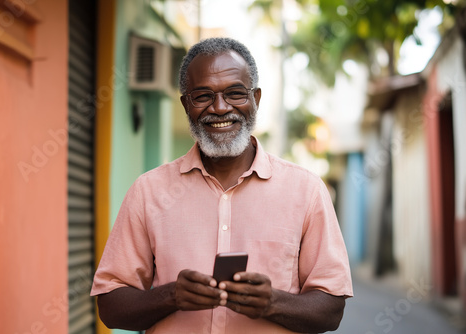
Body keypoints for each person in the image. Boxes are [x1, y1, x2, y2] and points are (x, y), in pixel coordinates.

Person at [91, 37, 353, 334]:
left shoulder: (306, 191)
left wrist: (273, 303)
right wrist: (171, 296)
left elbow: (331, 311)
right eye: (202, 96)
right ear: (185, 103)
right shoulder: (148, 192)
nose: (219, 107)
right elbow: (110, 308)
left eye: (235, 93)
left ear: (256, 98)